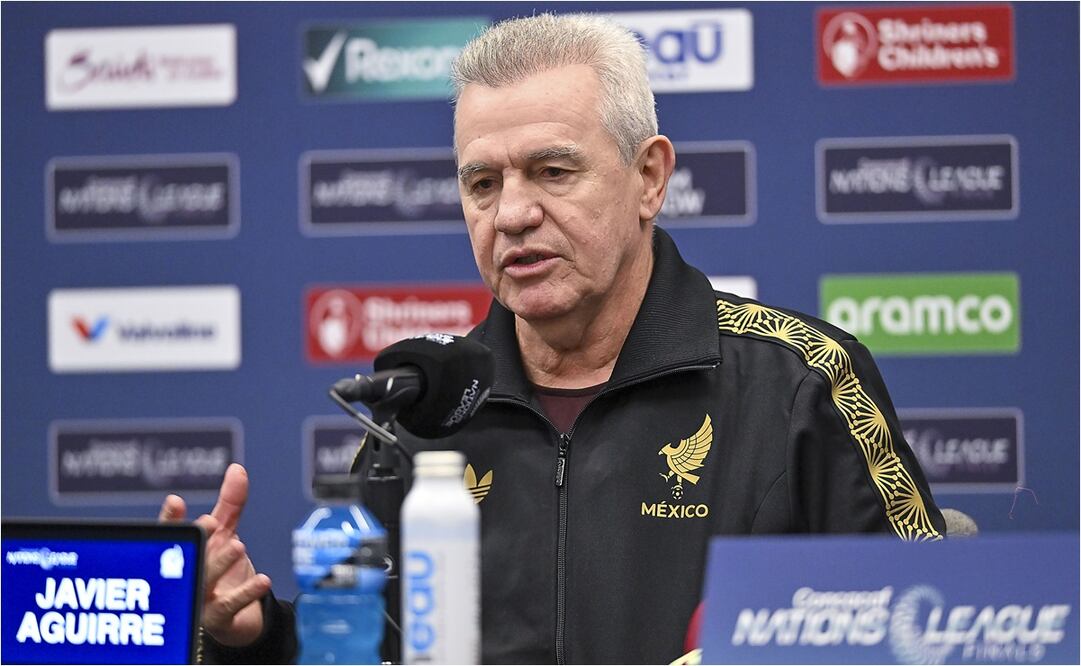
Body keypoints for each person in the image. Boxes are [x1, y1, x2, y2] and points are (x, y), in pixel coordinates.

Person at [161, 13, 945, 665]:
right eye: (482, 183)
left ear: (649, 178)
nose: (510, 214)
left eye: (552, 171)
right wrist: (252, 634)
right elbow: (372, 651)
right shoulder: (421, 414)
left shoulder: (800, 383)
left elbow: (932, 626)